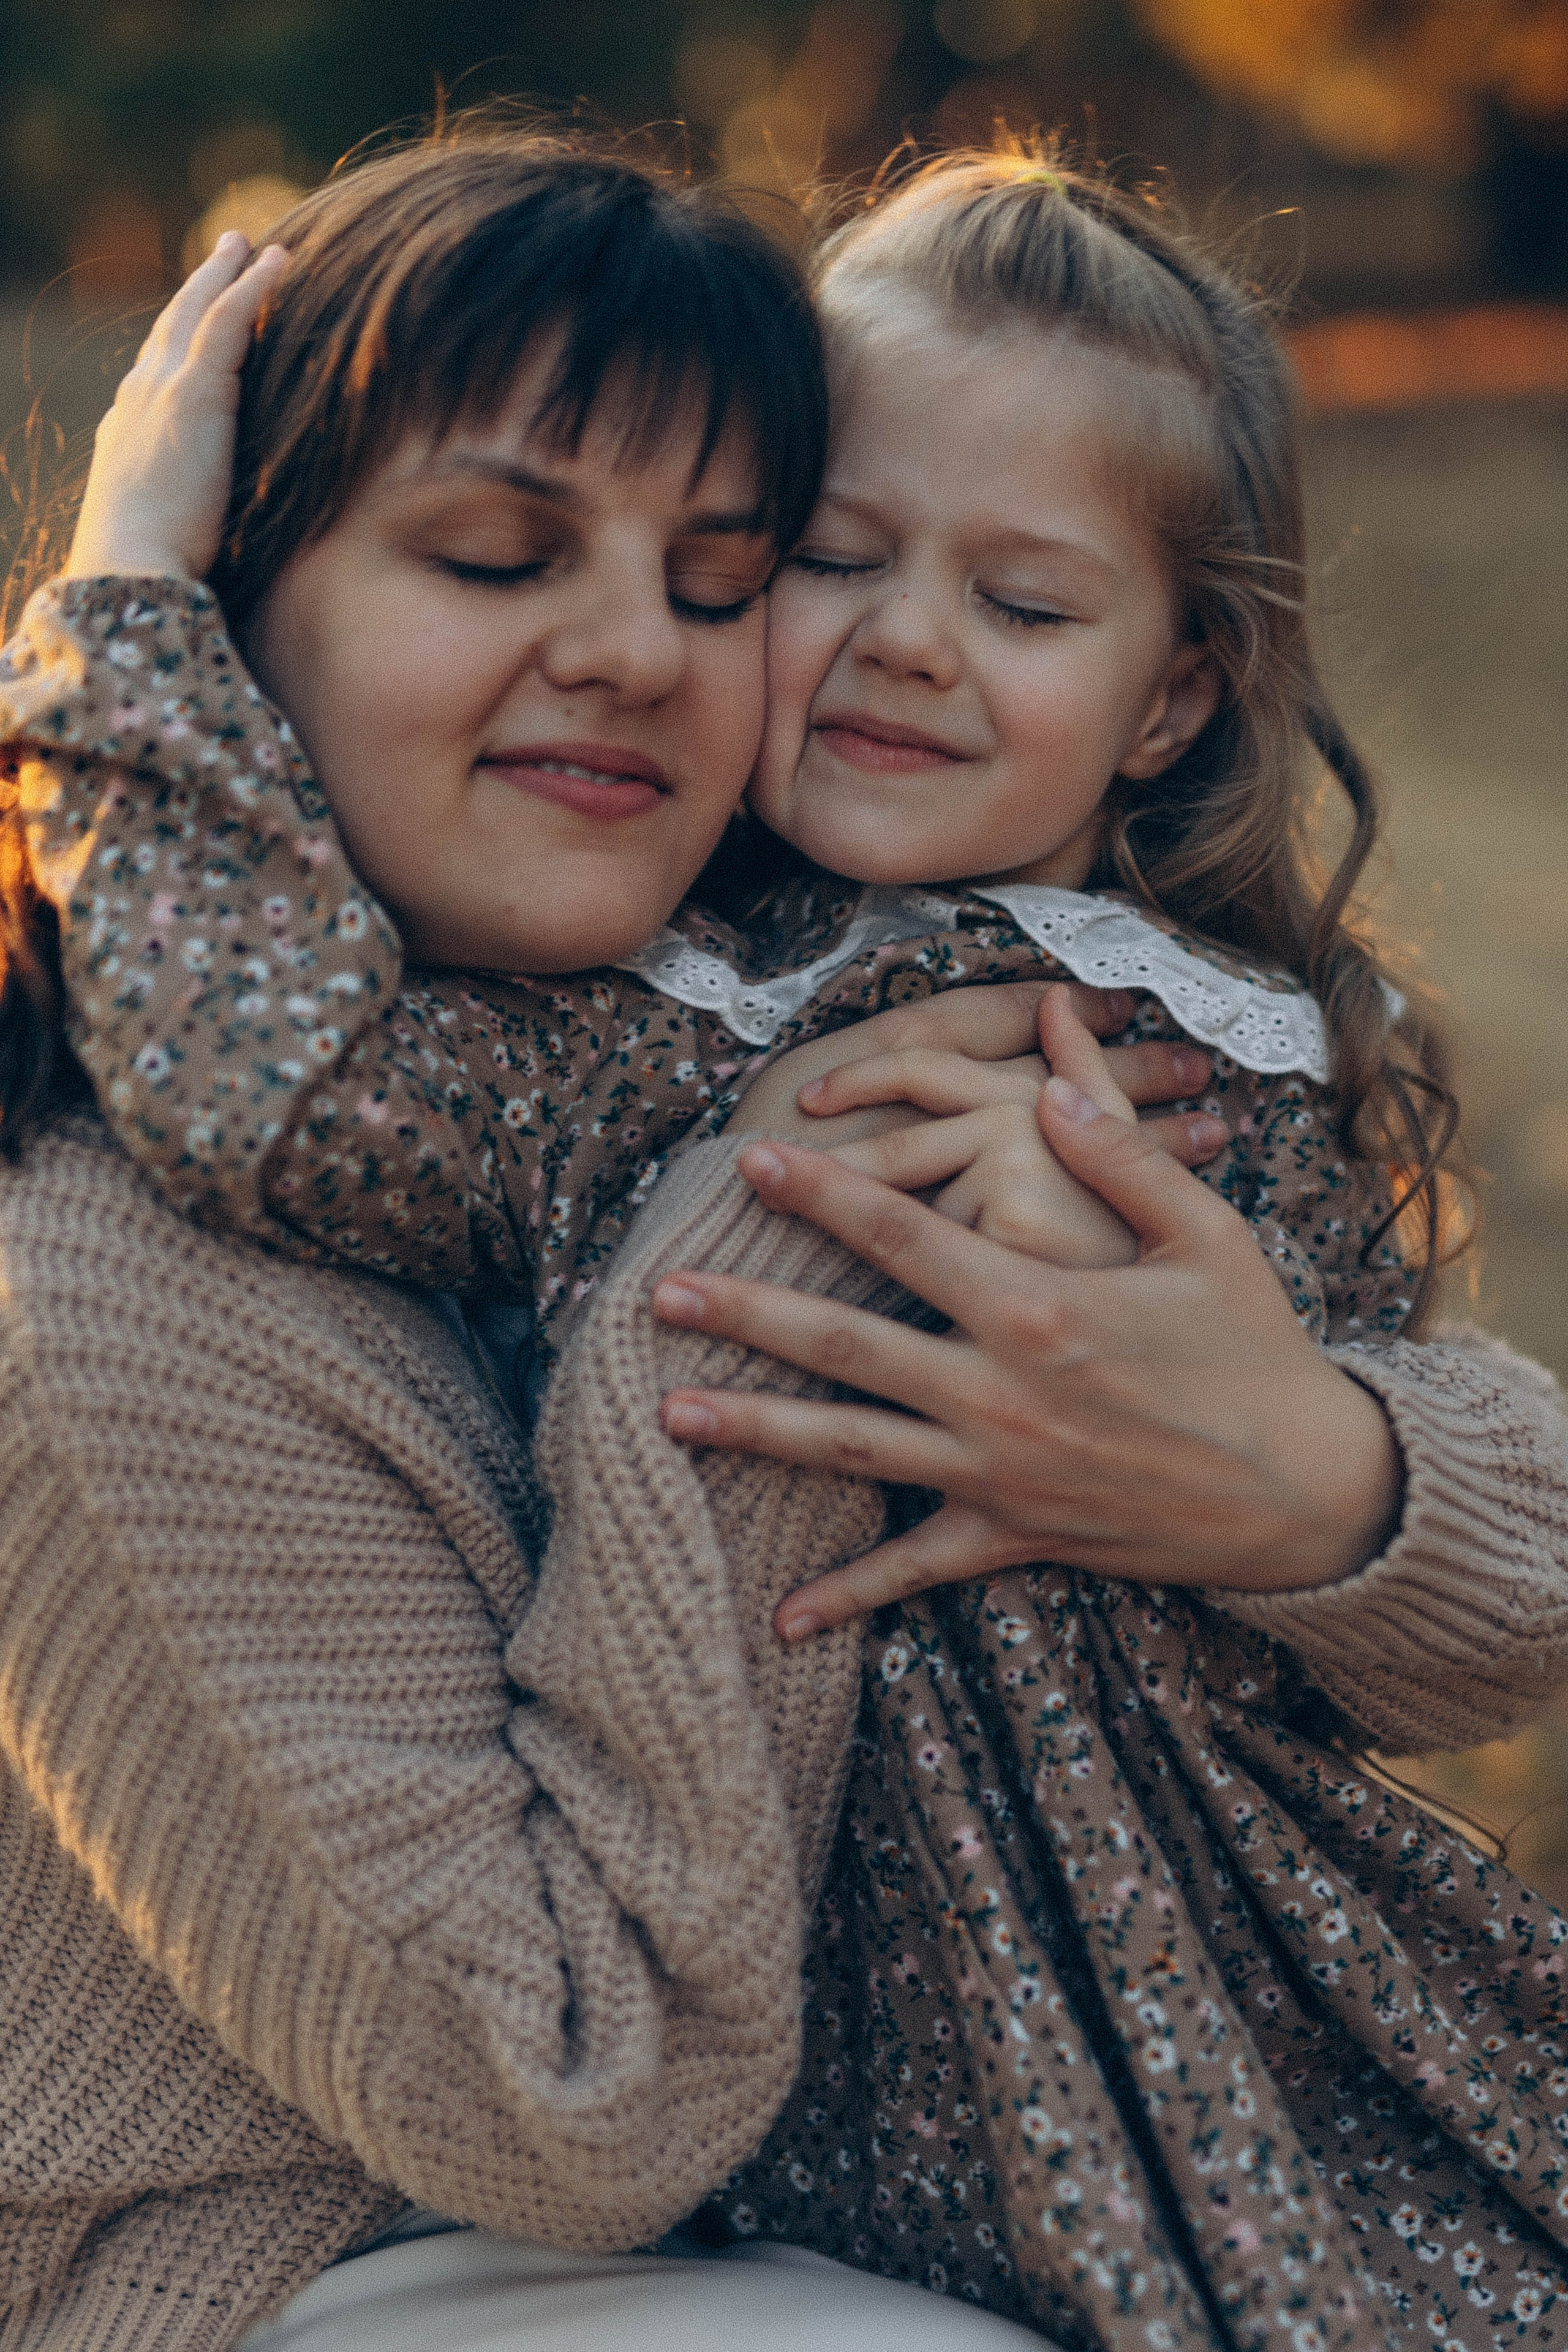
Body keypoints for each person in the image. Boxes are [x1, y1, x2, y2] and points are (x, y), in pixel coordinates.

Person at [3, 121, 1567, 2352]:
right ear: (246, 619)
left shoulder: (999, 1019)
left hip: (1062, 2030)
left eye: (720, 576)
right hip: (348, 2240)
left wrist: (1325, 1472)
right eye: (489, 559)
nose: (641, 654)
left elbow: (1495, 1583)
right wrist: (122, 603)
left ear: (1167, 694)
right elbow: (572, 2098)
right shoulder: (157, 1259)